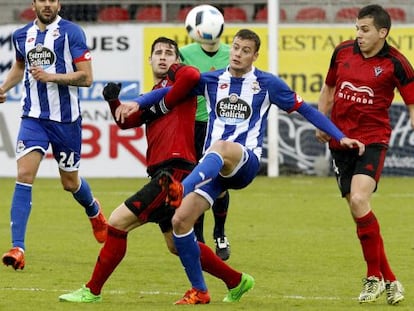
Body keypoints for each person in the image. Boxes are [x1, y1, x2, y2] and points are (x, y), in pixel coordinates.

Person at [115, 28, 365, 305]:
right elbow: (171, 91)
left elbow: (305, 109)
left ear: (255, 55)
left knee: (220, 147)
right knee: (180, 223)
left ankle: (180, 189)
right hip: (214, 170)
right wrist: (134, 102)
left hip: (245, 161)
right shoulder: (211, 80)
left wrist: (340, 136)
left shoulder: (267, 83)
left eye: (245, 50)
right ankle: (202, 290)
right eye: (235, 48)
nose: (238, 54)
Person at [58, 36, 254, 305]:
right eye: (158, 53)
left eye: (170, 53)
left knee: (116, 222)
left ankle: (92, 290)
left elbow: (192, 74)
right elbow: (128, 122)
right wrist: (113, 102)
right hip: (164, 173)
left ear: (177, 60)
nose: (163, 56)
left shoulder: (182, 84)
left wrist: (171, 79)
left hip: (174, 172)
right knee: (176, 244)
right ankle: (236, 280)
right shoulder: (156, 90)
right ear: (149, 60)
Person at [316, 4, 414, 305]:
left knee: (359, 199)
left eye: (365, 29)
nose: (358, 35)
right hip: (341, 141)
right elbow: (329, 87)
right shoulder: (343, 52)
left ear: (382, 33)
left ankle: (373, 277)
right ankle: (392, 280)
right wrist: (323, 121)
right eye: (357, 28)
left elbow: (412, 103)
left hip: (372, 140)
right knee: (358, 210)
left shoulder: (397, 63)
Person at [0, 0, 107, 271]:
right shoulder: (22, 35)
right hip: (33, 118)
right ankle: (18, 248)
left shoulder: (72, 33)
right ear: (34, 3)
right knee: (24, 175)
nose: (47, 4)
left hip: (66, 121)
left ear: (58, 4)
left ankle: (94, 211)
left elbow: (87, 78)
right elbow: (20, 67)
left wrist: (52, 77)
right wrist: (4, 87)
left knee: (70, 182)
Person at [180, 14, 232, 260]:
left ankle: (220, 232)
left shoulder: (232, 53)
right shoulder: (185, 53)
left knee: (220, 182)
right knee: (196, 181)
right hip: (193, 124)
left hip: (221, 127)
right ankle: (198, 238)